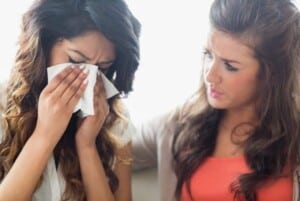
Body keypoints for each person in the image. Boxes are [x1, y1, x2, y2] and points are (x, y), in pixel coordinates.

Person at [132, 0, 300, 200]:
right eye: (208, 55)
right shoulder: (175, 126)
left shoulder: (294, 138)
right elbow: (115, 150)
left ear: (271, 75)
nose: (210, 75)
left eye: (230, 66)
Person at [0, 0, 140, 200]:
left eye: (102, 67)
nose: (88, 79)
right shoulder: (3, 103)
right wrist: (44, 136)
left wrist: (87, 145)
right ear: (44, 45)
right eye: (76, 61)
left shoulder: (115, 119)